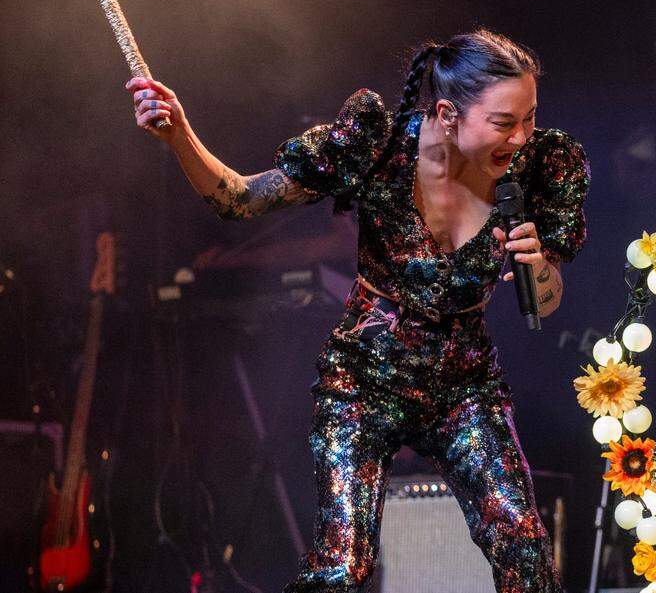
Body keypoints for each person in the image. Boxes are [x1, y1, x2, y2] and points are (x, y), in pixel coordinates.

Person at [127, 29, 589, 593]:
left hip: (465, 383)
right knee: (343, 567)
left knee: (525, 550)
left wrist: (538, 264)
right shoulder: (378, 145)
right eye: (504, 123)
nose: (522, 138)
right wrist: (179, 134)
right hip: (364, 380)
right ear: (447, 114)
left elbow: (544, 299)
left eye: (530, 119)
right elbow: (239, 198)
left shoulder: (541, 169)